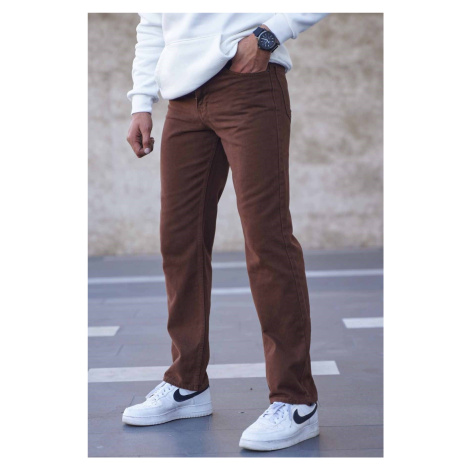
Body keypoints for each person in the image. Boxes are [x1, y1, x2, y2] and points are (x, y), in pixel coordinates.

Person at [123, 13, 328, 452]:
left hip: (248, 86)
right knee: (179, 240)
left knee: (267, 239)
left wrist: (268, 36)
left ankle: (296, 400)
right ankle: (187, 384)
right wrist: (141, 100)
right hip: (182, 99)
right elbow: (152, 23)